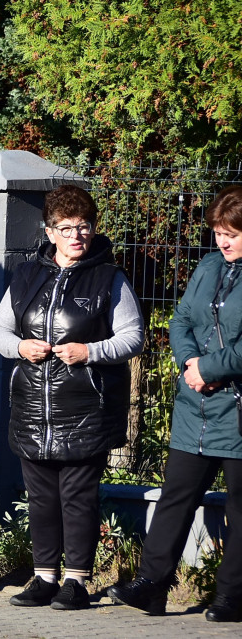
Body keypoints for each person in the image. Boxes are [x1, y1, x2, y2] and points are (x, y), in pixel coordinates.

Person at [0, 184, 144, 610]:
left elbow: (133, 337)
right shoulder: (25, 276)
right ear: (49, 231)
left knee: (77, 496)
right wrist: (21, 347)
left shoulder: (110, 277)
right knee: (40, 497)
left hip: (84, 407)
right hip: (33, 407)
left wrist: (89, 352)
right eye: (67, 228)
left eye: (85, 226)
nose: (77, 235)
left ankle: (75, 581)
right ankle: (43, 578)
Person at [108, 185, 242, 623]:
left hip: (237, 411)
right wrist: (188, 361)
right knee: (175, 497)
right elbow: (181, 317)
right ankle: (152, 584)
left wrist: (210, 368)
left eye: (233, 233)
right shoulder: (207, 266)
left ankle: (231, 596)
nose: (223, 241)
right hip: (195, 410)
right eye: (219, 232)